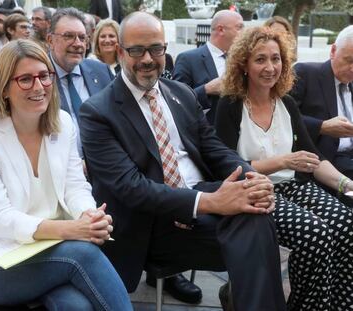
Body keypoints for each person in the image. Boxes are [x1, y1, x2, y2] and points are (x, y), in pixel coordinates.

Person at [79, 12, 287, 311]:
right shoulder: (97, 112)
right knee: (255, 228)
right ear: (121, 52)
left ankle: (244, 298)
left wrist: (252, 176)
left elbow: (214, 148)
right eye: (137, 50)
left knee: (255, 212)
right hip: (149, 222)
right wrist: (210, 202)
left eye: (156, 49)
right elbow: (131, 188)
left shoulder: (180, 93)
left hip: (201, 195)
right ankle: (244, 298)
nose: (148, 59)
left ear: (166, 50)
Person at [0, 39, 133, 311]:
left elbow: (75, 187)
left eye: (44, 76)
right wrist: (71, 230)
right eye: (26, 79)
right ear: (4, 87)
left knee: (75, 307)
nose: (39, 86)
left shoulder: (63, 123)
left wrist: (88, 216)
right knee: (85, 254)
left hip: (53, 251)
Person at [214, 26, 353, 311]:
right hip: (255, 190)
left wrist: (346, 185)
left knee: (346, 223)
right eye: (261, 59)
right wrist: (283, 161)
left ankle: (337, 306)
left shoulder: (286, 104)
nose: (270, 67)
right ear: (244, 64)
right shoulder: (230, 106)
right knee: (315, 234)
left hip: (295, 186)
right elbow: (225, 166)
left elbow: (314, 159)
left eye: (276, 59)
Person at [291, 25, 353, 182]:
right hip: (323, 162)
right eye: (349, 60)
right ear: (333, 51)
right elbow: (284, 117)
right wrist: (322, 126)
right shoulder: (305, 73)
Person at [48, 8, 113, 157]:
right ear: (50, 41)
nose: (78, 44)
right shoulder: (36, 77)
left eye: (82, 37)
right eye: (69, 36)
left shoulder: (101, 72)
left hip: (104, 165)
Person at [172, 10, 244, 123]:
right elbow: (176, 101)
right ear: (221, 30)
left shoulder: (242, 60)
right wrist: (206, 89)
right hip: (206, 134)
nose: (244, 33)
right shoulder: (188, 59)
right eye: (239, 27)